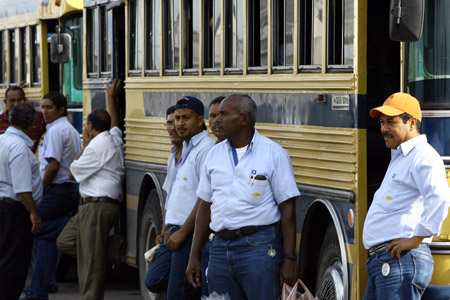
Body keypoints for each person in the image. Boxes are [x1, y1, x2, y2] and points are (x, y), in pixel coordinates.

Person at [186, 94, 300, 300]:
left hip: (258, 248)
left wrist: (289, 258)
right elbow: (205, 206)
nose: (216, 120)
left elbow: (288, 209)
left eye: (223, 114)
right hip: (219, 249)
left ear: (244, 119)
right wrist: (194, 256)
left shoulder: (274, 153)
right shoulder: (214, 154)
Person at [362, 92, 450, 300]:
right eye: (382, 122)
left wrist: (417, 238)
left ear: (411, 123)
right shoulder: (403, 155)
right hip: (387, 263)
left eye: (391, 122)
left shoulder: (423, 155)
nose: (384, 129)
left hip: (398, 262)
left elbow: (439, 196)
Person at [56, 79, 125, 300]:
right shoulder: (112, 138)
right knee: (65, 241)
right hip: (93, 207)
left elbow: (71, 173)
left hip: (96, 207)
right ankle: (112, 248)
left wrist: (85, 146)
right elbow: (115, 125)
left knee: (90, 265)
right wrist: (111, 99)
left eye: (86, 126)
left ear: (90, 127)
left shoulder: (96, 147)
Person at [146, 96, 215, 299]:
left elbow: (204, 199)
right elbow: (175, 194)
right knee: (157, 281)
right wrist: (167, 227)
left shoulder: (206, 150)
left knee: (179, 294)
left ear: (200, 120)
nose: (179, 123)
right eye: (177, 118)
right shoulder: (184, 149)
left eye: (186, 118)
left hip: (190, 234)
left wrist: (184, 232)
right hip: (174, 233)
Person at [24, 92, 81, 300]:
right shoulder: (68, 130)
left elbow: (53, 165)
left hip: (59, 191)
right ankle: (40, 290)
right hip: (67, 190)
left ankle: (65, 225)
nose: (44, 112)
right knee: (47, 239)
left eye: (49, 108)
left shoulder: (57, 131)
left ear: (61, 110)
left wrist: (39, 190)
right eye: (43, 107)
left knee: (27, 223)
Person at [0, 104, 42, 300]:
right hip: (15, 210)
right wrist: (34, 213)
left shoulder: (3, 140)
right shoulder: (18, 148)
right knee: (14, 263)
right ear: (33, 123)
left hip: (5, 207)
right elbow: (22, 189)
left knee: (5, 258)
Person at [144, 105, 183, 293]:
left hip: (185, 232)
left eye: (177, 121)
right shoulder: (172, 157)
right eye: (169, 122)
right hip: (171, 232)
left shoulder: (196, 155)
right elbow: (171, 196)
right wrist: (164, 228)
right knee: (153, 280)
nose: (173, 127)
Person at [0, 86, 46, 153]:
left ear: (24, 100)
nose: (16, 104)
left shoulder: (37, 118)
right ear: (5, 102)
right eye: (12, 100)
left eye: (19, 100)